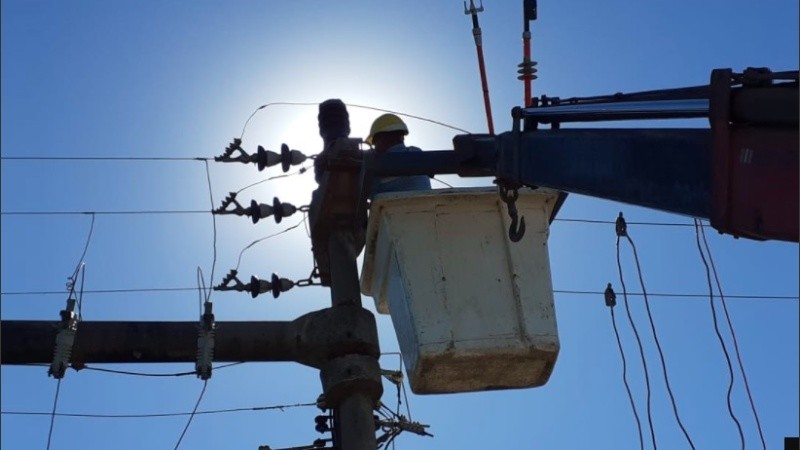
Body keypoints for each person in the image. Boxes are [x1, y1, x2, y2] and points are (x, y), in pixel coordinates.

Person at [365, 113, 432, 197]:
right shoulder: (416, 151)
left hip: (392, 206)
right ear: (401, 137)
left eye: (374, 143)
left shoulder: (377, 162)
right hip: (429, 204)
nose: (374, 148)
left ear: (382, 139)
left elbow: (366, 192)